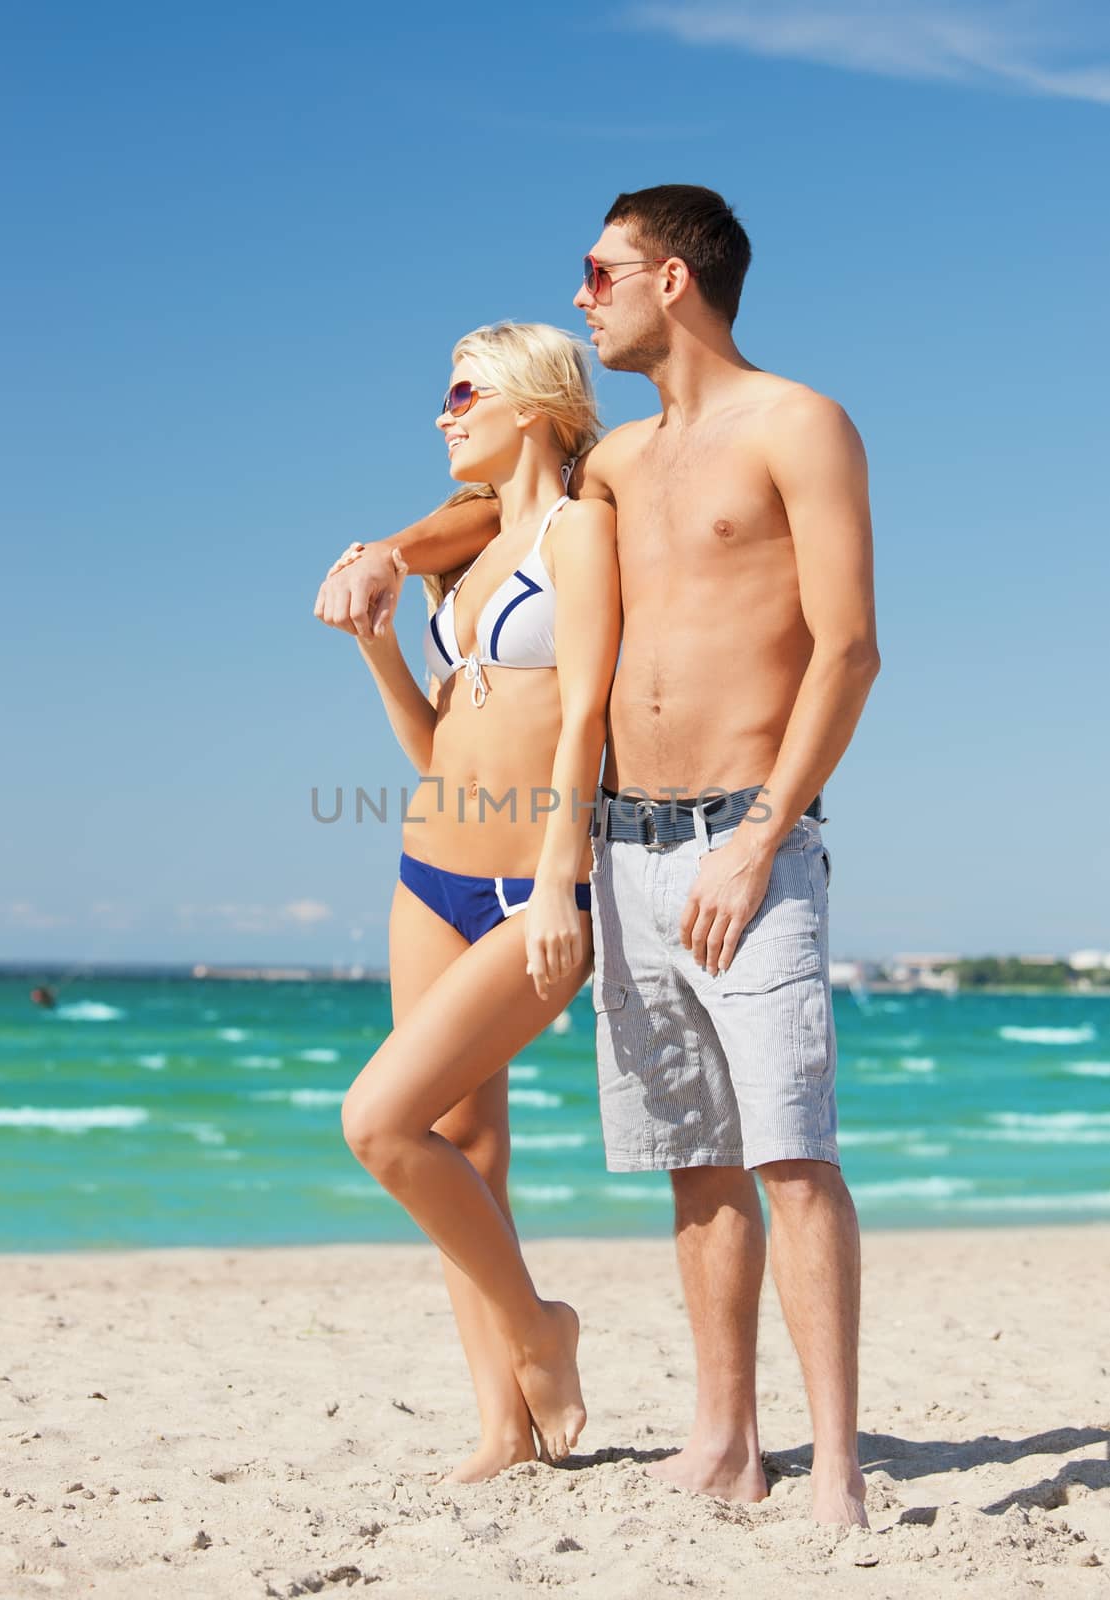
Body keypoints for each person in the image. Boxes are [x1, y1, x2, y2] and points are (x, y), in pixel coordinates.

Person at [318, 185, 879, 1528]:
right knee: (694, 1159)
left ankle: (840, 1466)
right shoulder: (616, 464)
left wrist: (758, 839)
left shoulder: (798, 423)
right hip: (627, 846)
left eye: (601, 269)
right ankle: (722, 1442)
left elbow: (848, 648)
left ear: (672, 278)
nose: (582, 294)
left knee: (790, 1153)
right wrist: (385, 554)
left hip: (747, 839)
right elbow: (489, 521)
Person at [317, 322, 620, 1482]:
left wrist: (557, 882)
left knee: (377, 1123)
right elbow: (435, 743)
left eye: (461, 392)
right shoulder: (472, 550)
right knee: (461, 1147)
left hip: (522, 886)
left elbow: (583, 716)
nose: (442, 414)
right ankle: (501, 1430)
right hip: (423, 872)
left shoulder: (573, 532)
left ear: (535, 404)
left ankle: (544, 1329)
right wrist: (379, 649)